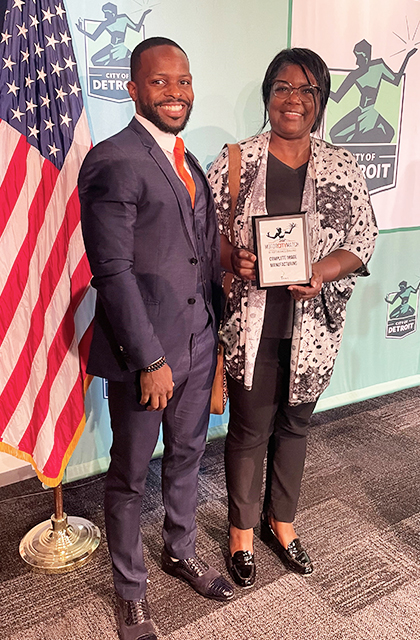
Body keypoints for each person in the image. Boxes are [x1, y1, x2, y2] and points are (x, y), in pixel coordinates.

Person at [79, 37, 233, 640]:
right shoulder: (113, 159)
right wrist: (150, 359)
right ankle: (131, 591)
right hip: (147, 356)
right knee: (129, 475)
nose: (176, 93)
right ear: (133, 89)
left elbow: (197, 256)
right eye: (161, 81)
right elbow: (111, 271)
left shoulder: (189, 162)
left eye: (184, 81)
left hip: (199, 345)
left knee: (189, 456)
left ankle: (180, 549)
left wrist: (215, 334)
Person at [207, 48, 378, 588]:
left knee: (295, 425)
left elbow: (362, 240)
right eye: (283, 87)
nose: (294, 99)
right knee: (249, 429)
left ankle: (281, 523)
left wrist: (322, 270)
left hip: (314, 328)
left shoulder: (342, 167)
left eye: (307, 90)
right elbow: (201, 234)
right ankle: (241, 530)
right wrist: (230, 258)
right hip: (250, 325)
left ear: (320, 100)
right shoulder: (235, 162)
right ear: (268, 95)